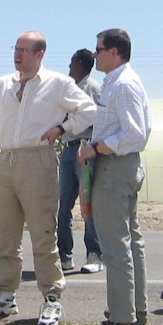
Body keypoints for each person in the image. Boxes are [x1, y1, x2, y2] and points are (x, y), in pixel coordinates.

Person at [0, 32, 97, 325]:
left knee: (43, 233)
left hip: (39, 159)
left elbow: (89, 111)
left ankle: (52, 298)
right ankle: (4, 295)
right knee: (5, 234)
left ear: (40, 54)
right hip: (7, 161)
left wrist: (62, 128)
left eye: (24, 50)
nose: (18, 54)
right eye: (16, 49)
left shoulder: (57, 83)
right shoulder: (3, 84)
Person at [78, 29, 152, 325]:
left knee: (115, 246)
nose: (94, 54)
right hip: (120, 167)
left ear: (114, 52)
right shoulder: (117, 81)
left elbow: (135, 134)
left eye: (99, 49)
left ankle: (122, 321)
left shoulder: (123, 84)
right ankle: (135, 312)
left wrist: (95, 149)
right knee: (130, 242)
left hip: (114, 167)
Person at [57, 49, 104, 273]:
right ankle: (64, 256)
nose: (69, 67)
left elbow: (100, 119)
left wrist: (92, 147)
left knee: (88, 205)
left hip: (84, 148)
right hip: (68, 149)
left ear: (80, 63)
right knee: (63, 207)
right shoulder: (69, 89)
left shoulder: (92, 88)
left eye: (72, 62)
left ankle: (94, 255)